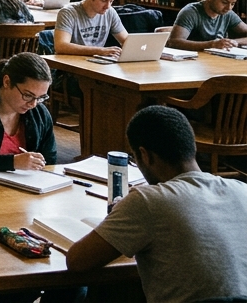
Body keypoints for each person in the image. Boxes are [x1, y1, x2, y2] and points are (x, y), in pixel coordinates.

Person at [67, 107, 247, 303]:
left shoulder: (148, 201)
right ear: (191, 147)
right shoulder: (241, 189)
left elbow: (77, 262)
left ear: (145, 155)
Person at [52, 0, 127, 57]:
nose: (108, 6)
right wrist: (100, 51)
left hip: (96, 63)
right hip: (72, 64)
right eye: (103, 1)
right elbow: (61, 46)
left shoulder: (110, 12)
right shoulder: (68, 13)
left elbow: (126, 41)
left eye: (111, 1)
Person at [168, 0, 247, 52]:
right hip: (193, 61)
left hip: (217, 60)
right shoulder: (190, 12)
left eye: (233, 4)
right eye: (224, 2)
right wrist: (211, 44)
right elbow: (174, 42)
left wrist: (232, 42)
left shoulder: (228, 13)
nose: (229, 8)